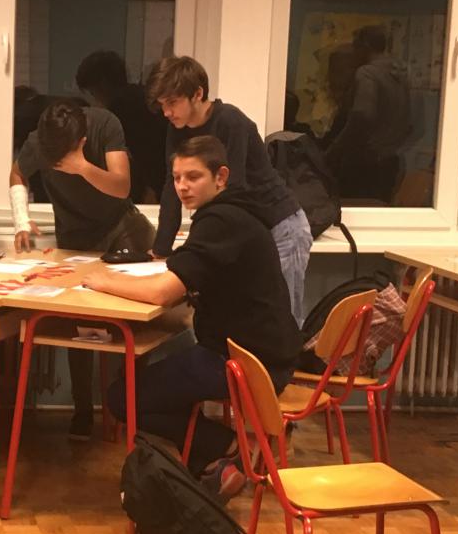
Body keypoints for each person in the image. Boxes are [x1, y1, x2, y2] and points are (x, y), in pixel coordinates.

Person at [88, 135, 303, 446]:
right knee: (161, 381)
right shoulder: (236, 212)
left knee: (121, 398)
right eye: (177, 178)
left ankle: (224, 448)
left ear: (221, 177)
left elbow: (162, 293)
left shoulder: (221, 221)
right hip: (265, 355)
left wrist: (102, 281)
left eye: (193, 176)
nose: (182, 187)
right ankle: (208, 456)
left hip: (245, 364)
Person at [11, 99, 153, 439]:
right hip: (74, 234)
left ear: (81, 141)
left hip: (121, 228)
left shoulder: (105, 124)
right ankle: (82, 410)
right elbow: (18, 172)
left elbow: (122, 185)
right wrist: (21, 219)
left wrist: (82, 167)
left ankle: (130, 407)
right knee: (78, 318)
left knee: (131, 318)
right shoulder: (40, 139)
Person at [146, 55, 314, 325]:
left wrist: (202, 243)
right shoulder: (177, 129)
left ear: (197, 94)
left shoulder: (230, 121)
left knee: (282, 320)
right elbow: (170, 187)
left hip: (280, 226)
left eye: (173, 102)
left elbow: (231, 188)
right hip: (247, 230)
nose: (166, 112)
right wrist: (161, 249)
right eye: (162, 104)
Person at [323, 26, 412, 202]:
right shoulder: (401, 76)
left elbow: (362, 115)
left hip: (366, 162)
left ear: (364, 47)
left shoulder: (367, 73)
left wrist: (335, 149)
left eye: (356, 47)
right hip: (392, 160)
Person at [77, 50, 167, 203]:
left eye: (93, 92)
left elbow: (141, 156)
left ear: (103, 84)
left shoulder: (121, 110)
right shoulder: (142, 96)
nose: (96, 99)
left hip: (154, 182)